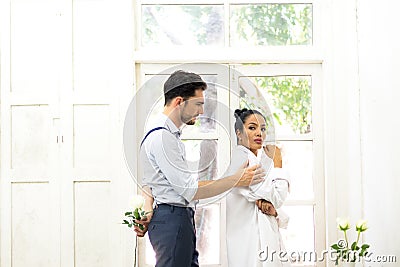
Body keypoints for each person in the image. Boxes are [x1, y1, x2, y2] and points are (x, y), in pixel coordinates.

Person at [135, 70, 265, 267]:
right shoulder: (163, 137)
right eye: (198, 104)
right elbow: (190, 190)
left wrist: (147, 205)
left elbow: (149, 180)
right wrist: (237, 179)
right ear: (179, 102)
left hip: (176, 219)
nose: (202, 111)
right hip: (173, 220)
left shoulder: (165, 134)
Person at [225, 108, 291, 267]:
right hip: (252, 244)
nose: (259, 133)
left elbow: (268, 201)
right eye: (252, 128)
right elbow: (277, 197)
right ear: (239, 133)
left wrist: (274, 210)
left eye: (262, 129)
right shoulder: (243, 160)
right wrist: (278, 162)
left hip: (255, 241)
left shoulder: (254, 160)